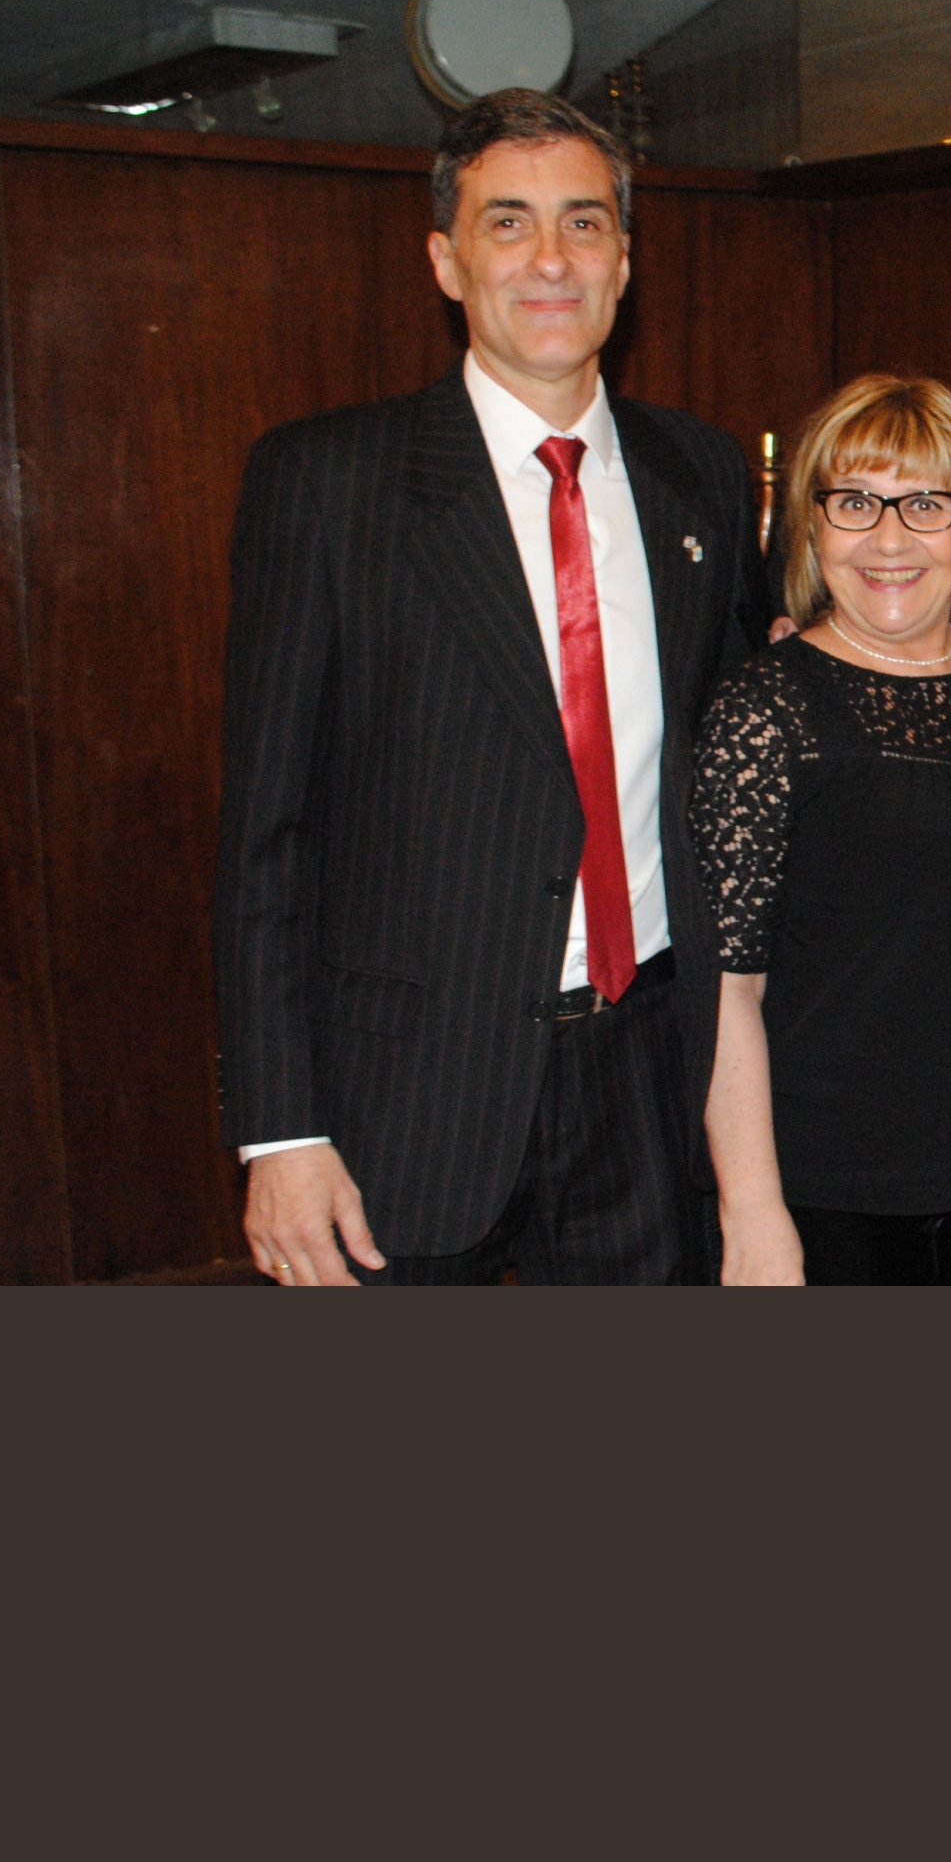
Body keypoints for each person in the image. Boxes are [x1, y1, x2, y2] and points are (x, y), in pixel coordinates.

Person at [215, 87, 786, 1285]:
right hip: (408, 1096)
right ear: (445, 258)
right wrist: (281, 1126)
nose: (549, 260)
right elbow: (265, 834)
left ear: (625, 260)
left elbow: (734, 748)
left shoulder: (704, 474)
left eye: (583, 224)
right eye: (508, 222)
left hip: (647, 1076)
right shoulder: (328, 483)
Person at [691, 375, 951, 1285]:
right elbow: (726, 991)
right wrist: (753, 1212)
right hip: (836, 1198)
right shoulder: (765, 711)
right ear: (813, 527)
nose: (888, 538)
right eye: (854, 502)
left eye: (924, 503)